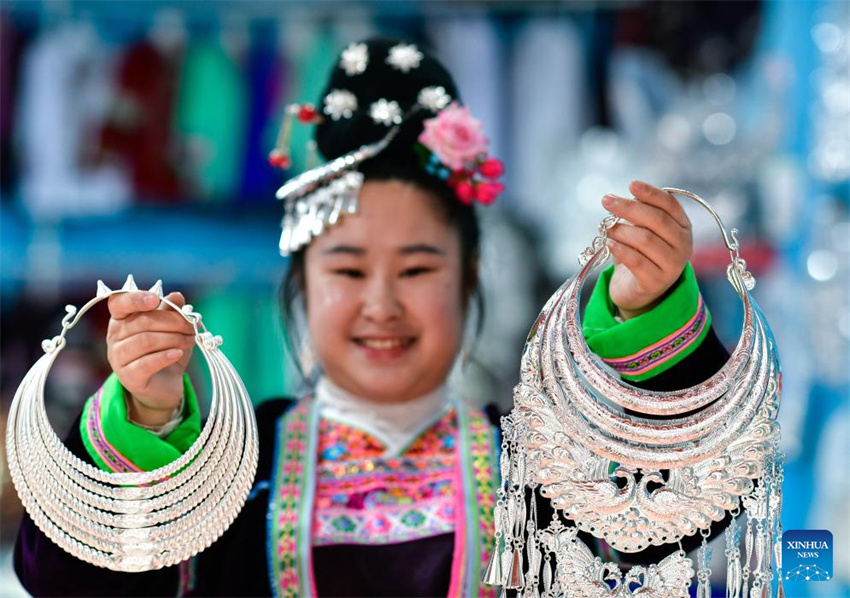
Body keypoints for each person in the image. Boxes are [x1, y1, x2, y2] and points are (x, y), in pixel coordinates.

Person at [14, 38, 728, 597]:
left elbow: (685, 509)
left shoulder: (538, 469)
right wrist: (146, 418)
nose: (381, 303)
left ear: (470, 279)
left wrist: (645, 312)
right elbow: (70, 585)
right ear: (300, 282)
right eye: (349, 271)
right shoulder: (231, 472)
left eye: (417, 269)